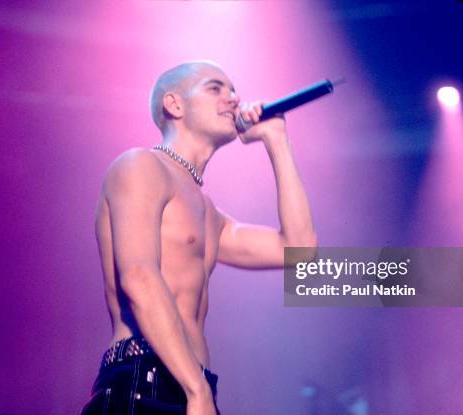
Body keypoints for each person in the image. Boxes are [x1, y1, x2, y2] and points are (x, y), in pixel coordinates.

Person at [81, 61, 317, 415]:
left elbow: (299, 251)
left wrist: (276, 140)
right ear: (175, 105)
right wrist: (197, 390)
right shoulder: (140, 166)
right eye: (215, 88)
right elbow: (139, 277)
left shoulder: (210, 214)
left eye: (233, 89)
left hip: (194, 384)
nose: (233, 98)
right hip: (143, 376)